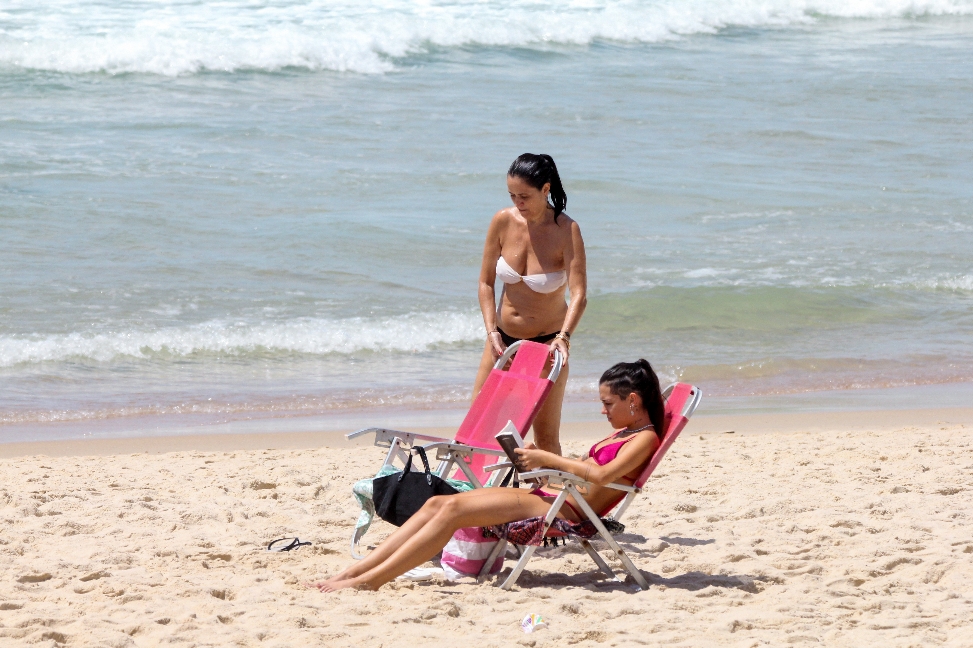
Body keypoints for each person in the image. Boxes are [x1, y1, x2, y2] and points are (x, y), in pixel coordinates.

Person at [313, 360, 664, 593]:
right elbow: (585, 472)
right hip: (554, 495)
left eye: (609, 403)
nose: (603, 410)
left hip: (565, 510)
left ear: (632, 400)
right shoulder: (620, 434)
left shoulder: (644, 438)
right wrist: (544, 471)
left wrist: (547, 457)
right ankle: (355, 572)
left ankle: (371, 581)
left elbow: (601, 475)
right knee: (439, 502)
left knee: (452, 512)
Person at [473, 153, 587, 456]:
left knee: (546, 439)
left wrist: (564, 337)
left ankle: (552, 499)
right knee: (478, 427)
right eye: (512, 195)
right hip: (502, 340)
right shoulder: (502, 221)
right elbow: (486, 282)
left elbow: (579, 294)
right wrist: (490, 331)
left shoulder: (566, 230)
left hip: (547, 345)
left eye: (524, 196)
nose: (517, 202)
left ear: (546, 189)